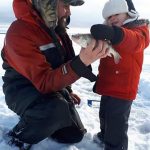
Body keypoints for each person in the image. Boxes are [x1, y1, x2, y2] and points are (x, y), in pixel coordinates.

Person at [1, 0, 109, 149]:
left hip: (47, 87)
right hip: (21, 90)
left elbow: (66, 64)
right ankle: (18, 137)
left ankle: (41, 119)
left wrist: (68, 90)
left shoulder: (58, 31)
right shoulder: (20, 31)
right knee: (55, 110)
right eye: (65, 6)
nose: (69, 12)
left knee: (74, 135)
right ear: (48, 4)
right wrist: (82, 61)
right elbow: (44, 82)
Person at [90, 0, 150, 150]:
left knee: (116, 123)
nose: (113, 18)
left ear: (128, 14)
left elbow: (135, 41)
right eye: (109, 17)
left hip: (123, 88)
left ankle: (116, 147)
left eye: (116, 14)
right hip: (108, 85)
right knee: (104, 115)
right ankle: (104, 137)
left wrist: (115, 34)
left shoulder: (139, 30)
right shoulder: (109, 33)